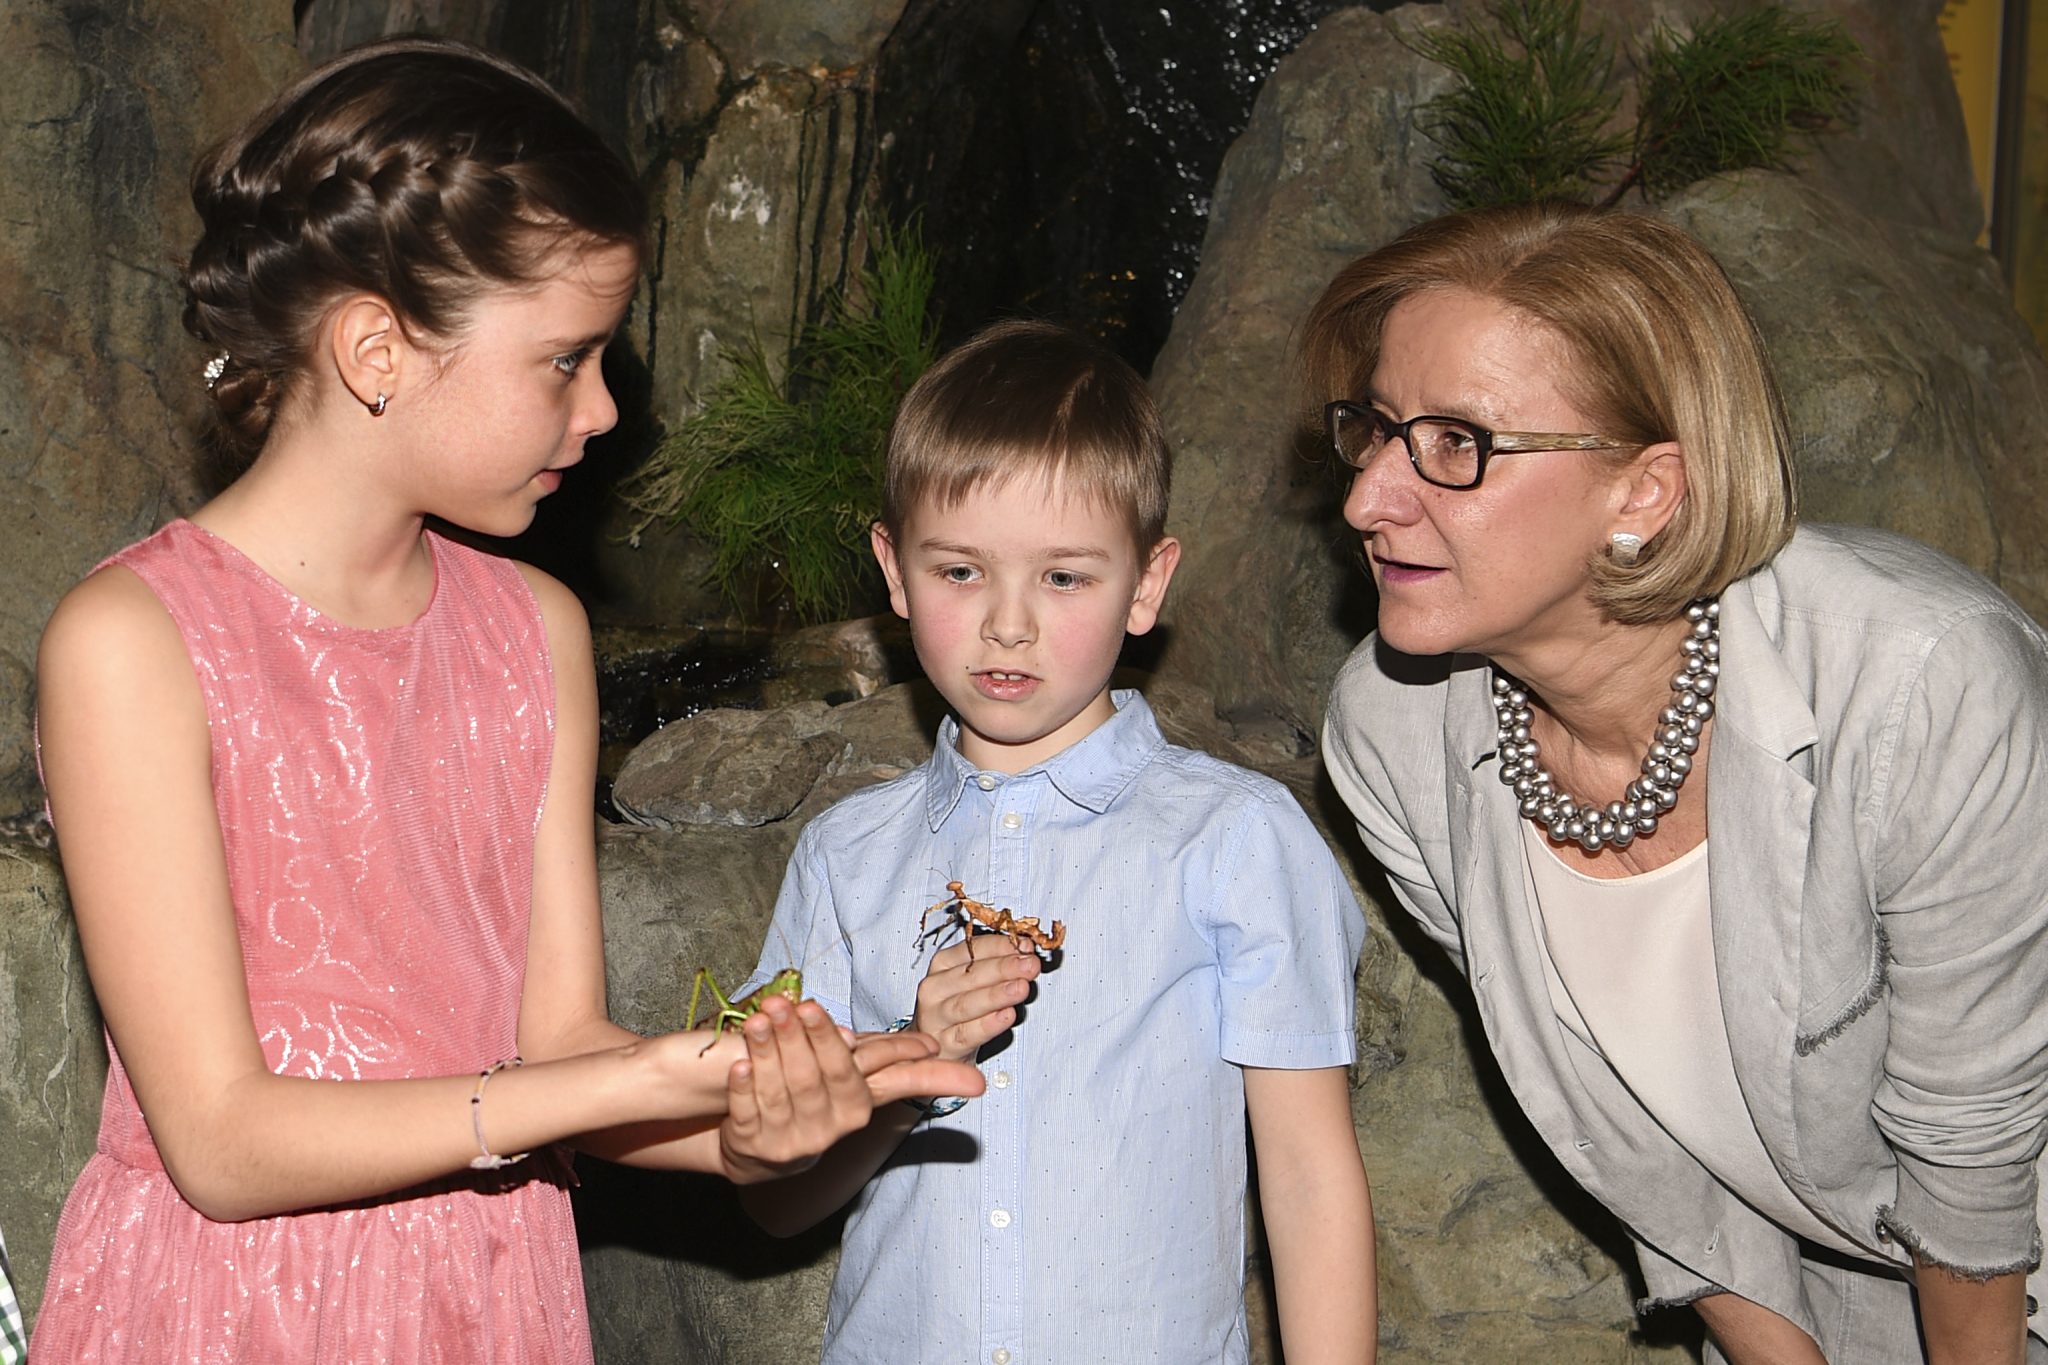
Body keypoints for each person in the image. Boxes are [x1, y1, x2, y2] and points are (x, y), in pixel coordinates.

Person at [29, 37, 978, 1363]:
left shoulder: (534, 630)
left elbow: (561, 1040)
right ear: (376, 348)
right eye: (563, 360)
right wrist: (612, 1083)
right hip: (234, 1309)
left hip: (485, 1285)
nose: (601, 412)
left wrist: (759, 1125)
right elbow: (222, 1142)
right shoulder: (134, 642)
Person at [1310, 200, 2048, 1365]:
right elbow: (1612, 1125)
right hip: (1834, 1293)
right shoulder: (1388, 730)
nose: (1366, 499)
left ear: (1646, 493)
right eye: (1372, 429)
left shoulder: (1917, 683)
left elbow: (1973, 1144)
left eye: (1456, 444)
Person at [732, 319, 1376, 1363]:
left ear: (1146, 584)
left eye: (1064, 578)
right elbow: (775, 1204)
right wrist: (911, 1061)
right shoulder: (846, 857)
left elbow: (1305, 1175)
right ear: (892, 572)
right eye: (959, 572)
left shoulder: (1234, 840)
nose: (1007, 625)